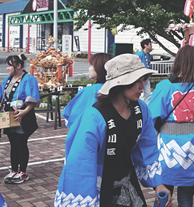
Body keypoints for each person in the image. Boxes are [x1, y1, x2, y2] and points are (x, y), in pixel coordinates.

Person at [55, 54, 171, 207]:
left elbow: (147, 148)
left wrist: (159, 184)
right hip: (97, 183)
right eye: (137, 81)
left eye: (143, 80)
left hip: (126, 181)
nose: (142, 86)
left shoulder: (141, 109)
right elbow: (81, 164)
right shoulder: (94, 117)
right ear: (120, 84)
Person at [149, 45, 194, 207]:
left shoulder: (164, 87)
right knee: (186, 198)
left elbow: (151, 118)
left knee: (164, 194)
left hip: (168, 147)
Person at [62, 53, 114, 157]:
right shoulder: (118, 91)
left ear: (99, 68)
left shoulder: (88, 92)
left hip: (89, 145)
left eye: (91, 65)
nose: (89, 68)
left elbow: (71, 118)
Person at [1, 54, 40, 184]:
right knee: (13, 143)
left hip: (23, 117)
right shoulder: (7, 79)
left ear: (18, 66)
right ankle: (14, 170)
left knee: (21, 142)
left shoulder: (29, 79)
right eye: (6, 66)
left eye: (9, 66)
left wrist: (23, 112)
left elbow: (32, 100)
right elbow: (3, 98)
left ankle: (23, 171)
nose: (7, 68)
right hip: (10, 116)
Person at [136, 39, 153, 103]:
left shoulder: (149, 55)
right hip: (139, 76)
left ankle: (146, 106)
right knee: (137, 92)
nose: (151, 46)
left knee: (148, 93)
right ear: (145, 45)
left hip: (146, 76)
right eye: (150, 44)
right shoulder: (139, 54)